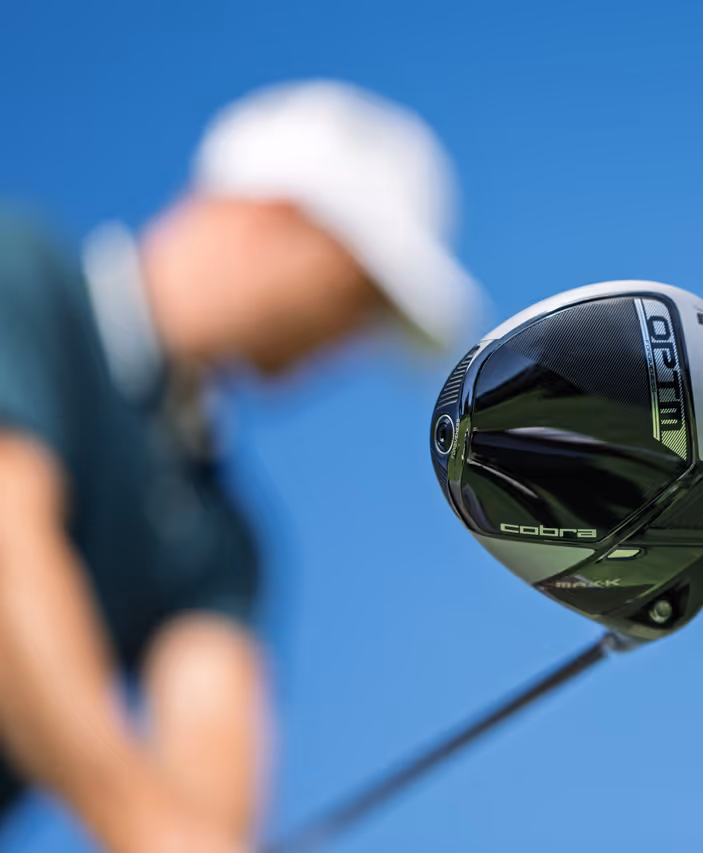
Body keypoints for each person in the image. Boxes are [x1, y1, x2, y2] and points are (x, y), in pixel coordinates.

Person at [0, 80, 481, 853]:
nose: (350, 336)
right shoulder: (19, 274)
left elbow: (209, 783)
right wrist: (148, 827)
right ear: (280, 219)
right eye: (356, 295)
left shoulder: (222, 538)